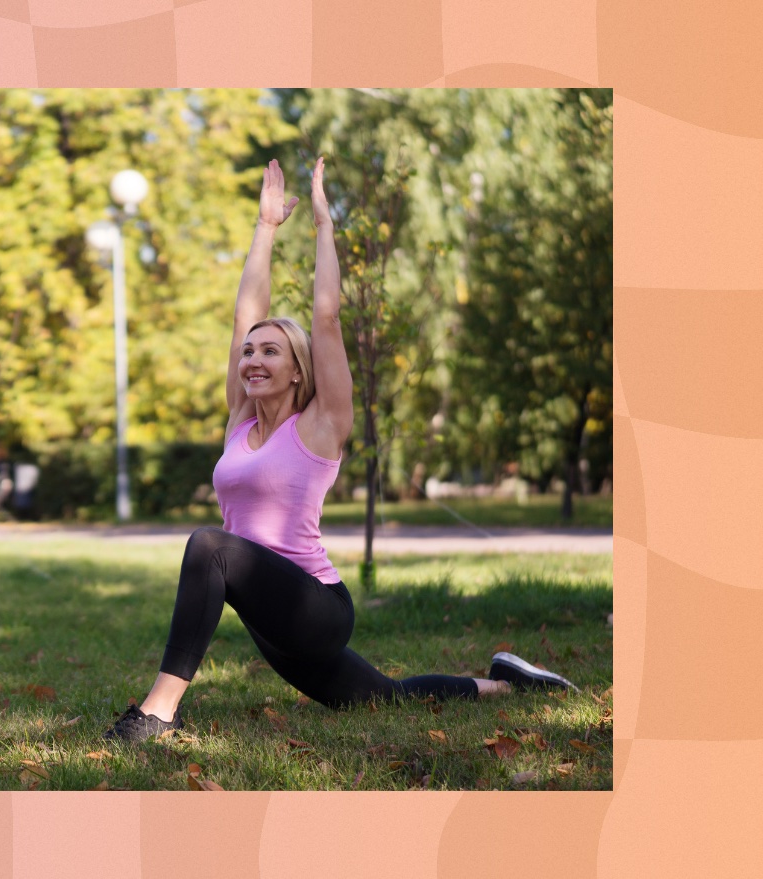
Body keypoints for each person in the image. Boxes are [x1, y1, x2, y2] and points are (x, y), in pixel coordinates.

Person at [103, 158, 576, 742]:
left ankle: (156, 715)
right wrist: (266, 229)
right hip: (271, 620)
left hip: (316, 609)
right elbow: (243, 314)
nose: (252, 358)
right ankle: (508, 683)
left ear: (299, 368)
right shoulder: (238, 419)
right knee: (383, 700)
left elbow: (325, 317)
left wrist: (325, 225)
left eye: (270, 352)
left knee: (209, 547)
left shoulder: (322, 425)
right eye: (249, 352)